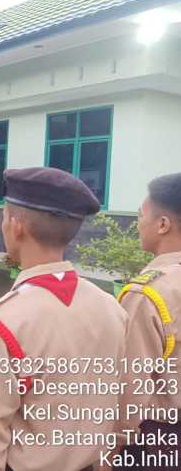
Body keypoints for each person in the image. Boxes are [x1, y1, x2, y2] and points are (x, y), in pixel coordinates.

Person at [0, 167, 128, 471]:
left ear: (16, 225)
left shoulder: (3, 323)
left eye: (4, 216)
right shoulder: (112, 307)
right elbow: (115, 395)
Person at [113, 172, 181, 470]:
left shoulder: (148, 294)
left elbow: (129, 387)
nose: (138, 225)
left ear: (163, 224)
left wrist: (112, 449)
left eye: (142, 215)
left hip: (156, 440)